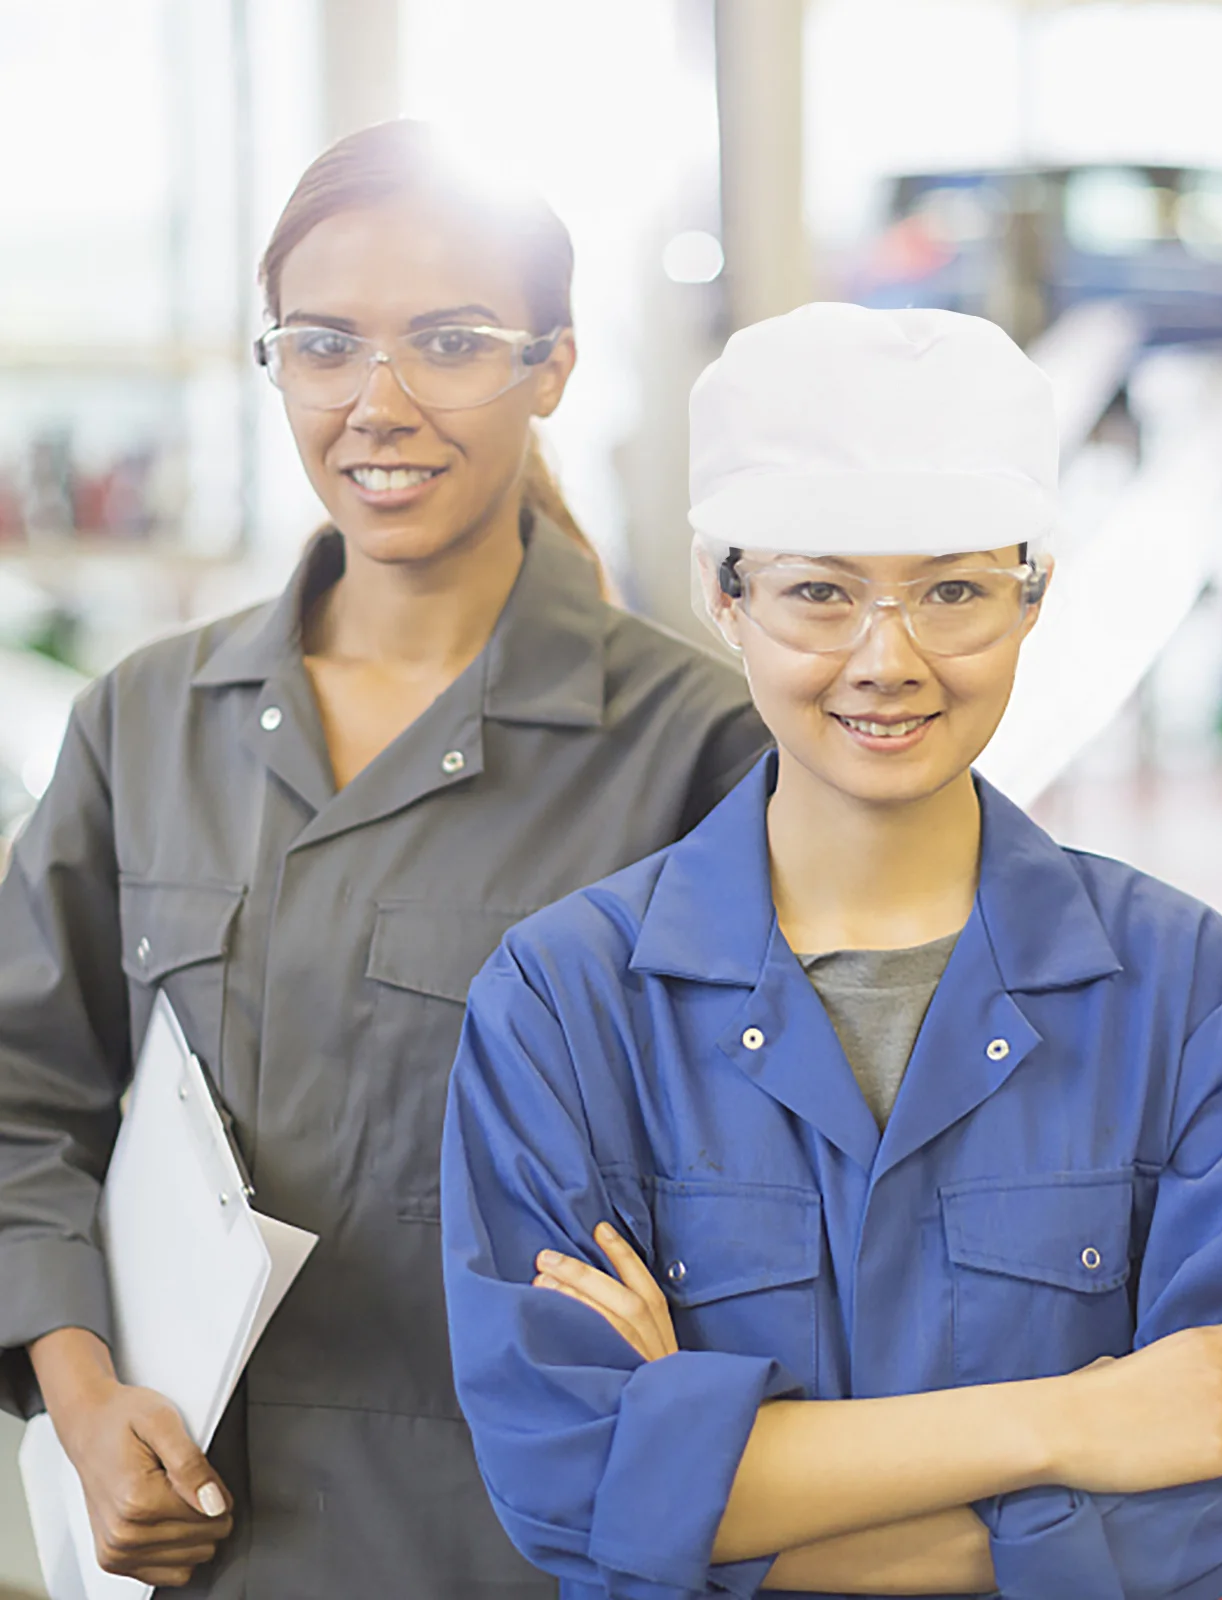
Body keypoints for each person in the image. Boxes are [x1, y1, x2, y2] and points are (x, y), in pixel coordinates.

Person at [442, 303, 1222, 1600]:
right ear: (724, 595)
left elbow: (1211, 1500)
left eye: (953, 590)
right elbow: (564, 1483)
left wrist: (703, 1493)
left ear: (1034, 594)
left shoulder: (1195, 999)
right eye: (819, 591)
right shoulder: (564, 1007)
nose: (886, 659)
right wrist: (1074, 1424)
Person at [0, 121, 768, 1599]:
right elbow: (21, 1096)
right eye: (325, 343)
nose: (379, 401)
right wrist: (83, 1399)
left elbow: (775, 1195)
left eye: (452, 342)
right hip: (197, 1538)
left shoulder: (698, 749)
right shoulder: (146, 723)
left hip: (528, 1545)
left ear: (553, 366)